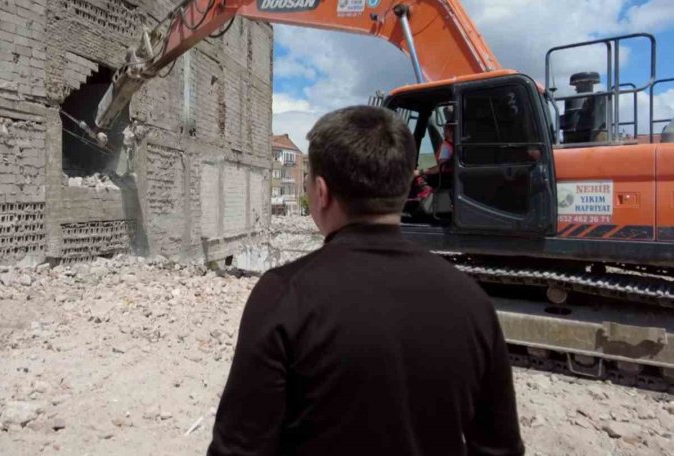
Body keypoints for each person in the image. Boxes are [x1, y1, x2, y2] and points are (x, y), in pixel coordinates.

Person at [208, 105, 524, 456]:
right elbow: (500, 448)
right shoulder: (472, 302)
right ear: (405, 188)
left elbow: (237, 448)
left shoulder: (283, 295)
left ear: (322, 192)